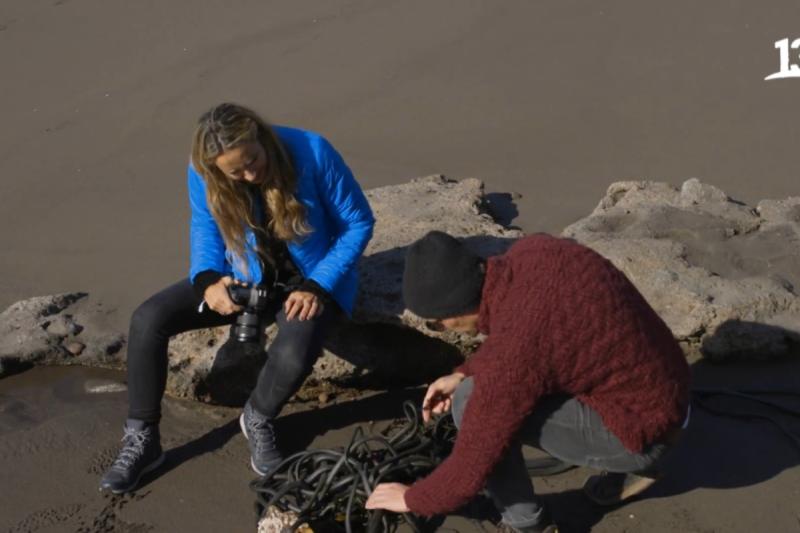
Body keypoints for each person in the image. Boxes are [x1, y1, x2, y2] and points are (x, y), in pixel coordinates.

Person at [100, 103, 375, 493]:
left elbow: (358, 223)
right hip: (245, 277)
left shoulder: (313, 151)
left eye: (253, 160)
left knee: (296, 349)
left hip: (308, 281)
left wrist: (319, 286)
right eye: (237, 172)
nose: (250, 174)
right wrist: (209, 280)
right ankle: (143, 440)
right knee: (148, 319)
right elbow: (205, 227)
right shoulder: (201, 170)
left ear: (261, 137)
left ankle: (258, 418)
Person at [366, 231, 690, 532]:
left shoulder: (518, 349)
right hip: (668, 390)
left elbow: (470, 468)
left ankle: (526, 522)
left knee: (469, 404)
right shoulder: (535, 251)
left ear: (450, 311)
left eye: (438, 326)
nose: (444, 331)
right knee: (480, 389)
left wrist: (411, 498)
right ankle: (635, 461)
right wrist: (463, 371)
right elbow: (523, 333)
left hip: (643, 432)